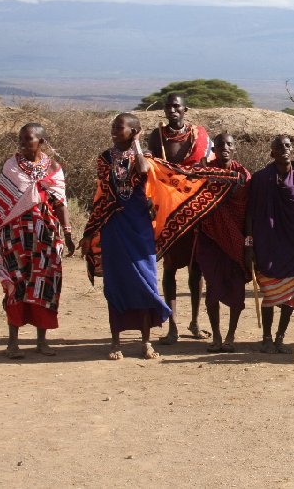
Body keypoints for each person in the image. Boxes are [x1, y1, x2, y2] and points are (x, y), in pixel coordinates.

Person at [81, 113, 239, 360]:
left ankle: (146, 342)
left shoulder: (146, 158)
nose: (113, 130)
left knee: (145, 281)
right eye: (113, 126)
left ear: (134, 131)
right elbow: (108, 189)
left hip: (140, 226)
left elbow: (143, 170)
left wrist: (136, 144)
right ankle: (116, 343)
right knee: (116, 283)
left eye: (119, 127)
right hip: (113, 225)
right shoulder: (104, 158)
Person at [0, 123, 75, 359]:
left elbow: (60, 203)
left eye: (29, 140)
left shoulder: (54, 168)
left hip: (46, 236)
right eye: (21, 139)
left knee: (45, 285)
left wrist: (67, 232)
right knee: (15, 285)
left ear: (41, 142)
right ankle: (13, 343)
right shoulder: (11, 167)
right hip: (15, 236)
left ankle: (42, 342)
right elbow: (1, 205)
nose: (24, 144)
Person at [147, 92, 214, 344]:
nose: (172, 111)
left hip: (194, 210)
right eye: (168, 107)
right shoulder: (158, 136)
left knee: (196, 269)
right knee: (170, 268)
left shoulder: (200, 136)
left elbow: (208, 168)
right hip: (168, 209)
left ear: (186, 110)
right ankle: (172, 326)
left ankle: (195, 322)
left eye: (177, 107)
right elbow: (155, 169)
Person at [246, 135, 294, 354]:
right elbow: (250, 214)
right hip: (267, 244)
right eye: (279, 147)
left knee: (289, 296)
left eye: (288, 146)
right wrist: (249, 244)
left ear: (293, 151)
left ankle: (280, 337)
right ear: (271, 152)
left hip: (292, 245)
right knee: (270, 294)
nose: (284, 149)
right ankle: (266, 337)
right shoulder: (260, 179)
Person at [195, 133, 251, 353]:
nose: (224, 147)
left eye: (229, 144)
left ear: (235, 148)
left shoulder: (244, 175)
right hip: (210, 239)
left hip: (236, 239)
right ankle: (216, 335)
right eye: (220, 145)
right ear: (214, 149)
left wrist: (248, 241)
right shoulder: (204, 173)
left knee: (236, 288)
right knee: (212, 289)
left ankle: (230, 335)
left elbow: (248, 211)